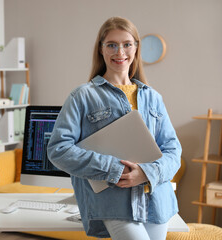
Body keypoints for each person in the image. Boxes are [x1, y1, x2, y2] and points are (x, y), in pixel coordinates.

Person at [47, 16, 182, 240]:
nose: (120, 52)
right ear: (101, 50)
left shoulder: (154, 97)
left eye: (127, 44)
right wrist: (113, 169)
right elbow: (59, 149)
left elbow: (173, 150)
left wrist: (147, 173)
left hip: (157, 202)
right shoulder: (83, 96)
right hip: (113, 204)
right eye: (112, 45)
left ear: (136, 49)